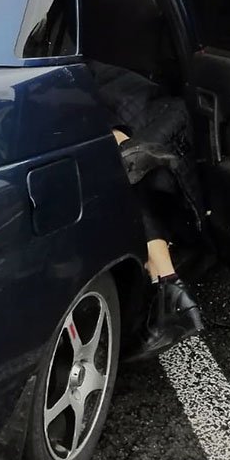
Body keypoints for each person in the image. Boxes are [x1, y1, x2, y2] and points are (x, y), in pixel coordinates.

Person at [87, 59, 206, 361]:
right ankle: (168, 288)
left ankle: (168, 289)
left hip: (132, 104)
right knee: (128, 175)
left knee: (122, 172)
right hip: (144, 107)